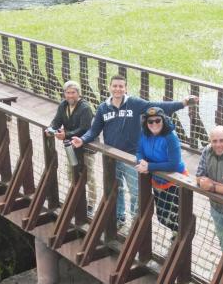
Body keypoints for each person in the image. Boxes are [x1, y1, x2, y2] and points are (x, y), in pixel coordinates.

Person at [71, 74, 197, 224]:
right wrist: (83, 139)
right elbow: (94, 130)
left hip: (132, 157)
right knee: (115, 189)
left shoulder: (134, 103)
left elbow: (157, 106)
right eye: (115, 86)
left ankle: (136, 221)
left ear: (126, 88)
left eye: (121, 86)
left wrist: (183, 103)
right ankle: (119, 218)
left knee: (136, 191)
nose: (118, 89)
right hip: (111, 157)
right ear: (110, 87)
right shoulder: (103, 108)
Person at [135, 107, 186, 233]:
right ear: (146, 123)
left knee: (175, 217)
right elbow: (139, 150)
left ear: (163, 120)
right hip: (157, 180)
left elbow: (173, 164)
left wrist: (149, 167)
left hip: (174, 182)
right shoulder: (144, 133)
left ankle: (178, 239)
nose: (154, 124)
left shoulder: (170, 137)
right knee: (162, 217)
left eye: (158, 120)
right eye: (150, 121)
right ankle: (176, 236)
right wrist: (141, 160)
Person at [48, 80, 96, 208]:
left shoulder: (85, 108)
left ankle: (91, 204)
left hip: (86, 147)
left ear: (78, 94)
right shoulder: (63, 105)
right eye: (67, 93)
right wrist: (51, 128)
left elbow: (84, 128)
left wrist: (66, 135)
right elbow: (57, 120)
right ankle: (76, 197)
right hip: (71, 147)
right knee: (71, 172)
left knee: (88, 175)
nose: (70, 96)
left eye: (73, 93)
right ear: (64, 94)